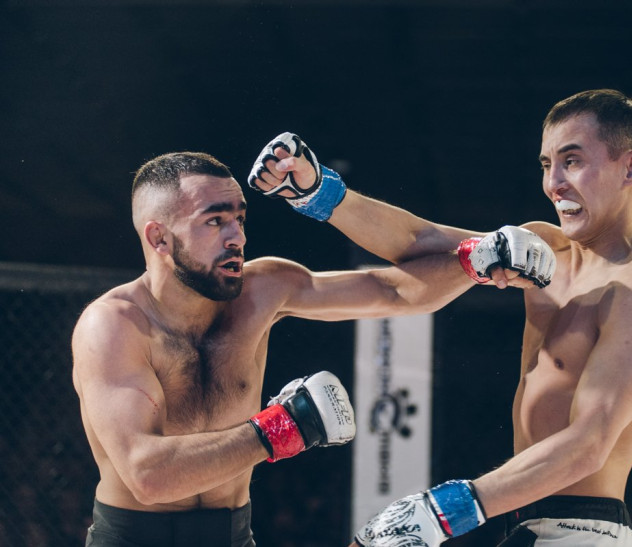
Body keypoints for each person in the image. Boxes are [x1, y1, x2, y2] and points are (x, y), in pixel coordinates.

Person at [249, 89, 632, 546]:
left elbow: (589, 444)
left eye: (572, 161)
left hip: (583, 532)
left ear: (631, 168)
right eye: (547, 164)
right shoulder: (550, 249)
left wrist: (442, 511)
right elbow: (421, 242)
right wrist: (318, 191)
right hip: (526, 523)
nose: (554, 183)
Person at [71, 150, 553, 547]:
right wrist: (282, 428)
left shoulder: (262, 289)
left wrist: (474, 259)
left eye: (239, 218)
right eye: (214, 221)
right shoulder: (114, 326)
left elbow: (393, 291)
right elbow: (148, 476)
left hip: (234, 534)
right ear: (159, 237)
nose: (237, 237)